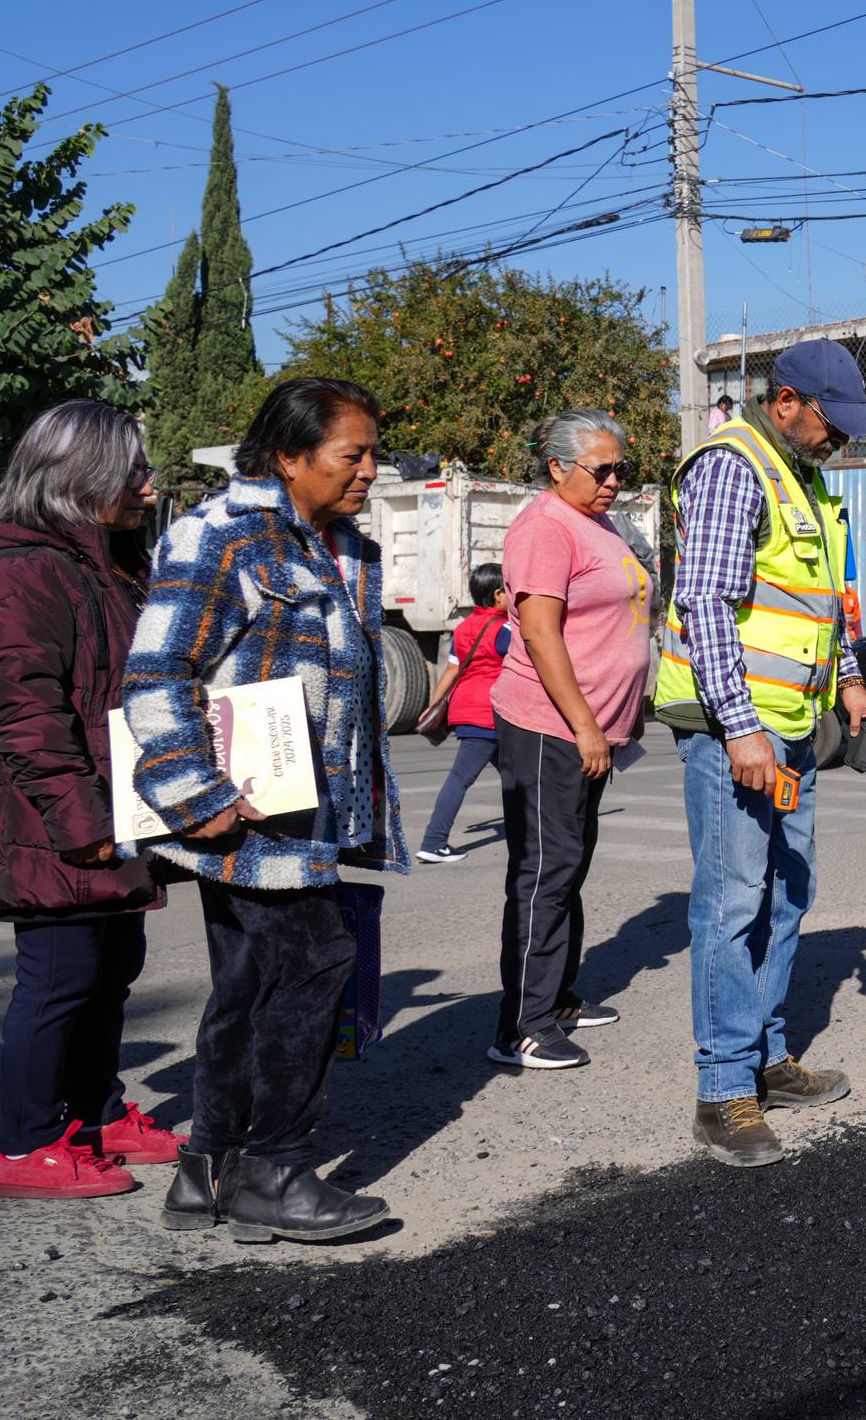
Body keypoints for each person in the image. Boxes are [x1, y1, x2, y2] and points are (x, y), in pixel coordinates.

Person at [120, 377, 402, 1244]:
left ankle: (208, 1171)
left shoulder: (346, 546)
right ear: (287, 455)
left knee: (248, 983)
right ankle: (276, 1169)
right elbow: (156, 673)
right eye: (350, 455)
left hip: (306, 811)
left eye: (371, 454)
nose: (368, 471)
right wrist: (193, 794)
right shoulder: (218, 538)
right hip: (239, 813)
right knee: (315, 964)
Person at [656, 342, 866, 1163]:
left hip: (792, 725)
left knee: (789, 892)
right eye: (833, 424)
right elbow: (708, 601)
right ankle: (723, 1090)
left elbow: (820, 605)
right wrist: (741, 725)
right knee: (732, 901)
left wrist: (850, 680)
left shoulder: (804, 476)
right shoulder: (732, 467)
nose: (842, 442)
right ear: (786, 400)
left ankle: (766, 1057)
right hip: (736, 733)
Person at [0, 402, 184, 1201]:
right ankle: (21, 1141)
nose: (148, 485)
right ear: (82, 477)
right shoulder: (21, 567)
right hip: (59, 815)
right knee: (60, 973)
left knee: (114, 968)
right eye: (133, 471)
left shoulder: (109, 560)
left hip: (118, 805)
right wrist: (81, 820)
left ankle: (96, 1114)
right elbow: (23, 708)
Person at [484, 412, 654, 1071]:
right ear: (557, 468)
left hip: (592, 728)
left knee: (568, 865)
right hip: (548, 726)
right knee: (544, 873)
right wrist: (586, 724)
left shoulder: (596, 522)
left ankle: (556, 999)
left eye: (622, 469)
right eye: (602, 469)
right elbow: (541, 634)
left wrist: (624, 713)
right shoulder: (544, 527)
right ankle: (521, 1026)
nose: (615, 481)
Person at [412, 564, 510, 865]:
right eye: (509, 589)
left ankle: (533, 832)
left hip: (465, 709)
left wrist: (433, 704)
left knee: (517, 776)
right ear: (497, 595)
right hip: (489, 712)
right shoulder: (504, 630)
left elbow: (452, 670)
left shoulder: (464, 627)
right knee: (460, 778)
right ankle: (433, 841)